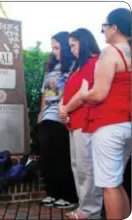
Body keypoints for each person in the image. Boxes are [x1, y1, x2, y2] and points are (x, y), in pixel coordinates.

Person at [80, 8, 131, 219]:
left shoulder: (111, 52)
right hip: (127, 122)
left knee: (109, 185)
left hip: (110, 124)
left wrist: (84, 93)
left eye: (105, 27)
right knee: (116, 182)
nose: (103, 32)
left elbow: (98, 94)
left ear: (114, 27)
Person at [58, 28, 103, 219]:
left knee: (86, 168)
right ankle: (84, 207)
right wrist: (62, 108)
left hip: (86, 122)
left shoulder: (95, 63)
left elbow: (83, 94)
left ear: (83, 43)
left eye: (73, 45)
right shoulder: (78, 66)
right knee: (78, 166)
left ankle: (91, 211)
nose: (72, 50)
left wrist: (66, 108)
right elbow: (68, 91)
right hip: (73, 122)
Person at [36, 31, 78, 208]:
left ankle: (67, 196)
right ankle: (52, 193)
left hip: (63, 118)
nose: (54, 51)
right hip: (47, 116)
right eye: (52, 48)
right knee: (47, 157)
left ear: (66, 48)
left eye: (57, 47)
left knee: (62, 158)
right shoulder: (51, 69)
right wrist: (40, 113)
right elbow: (45, 94)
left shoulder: (74, 67)